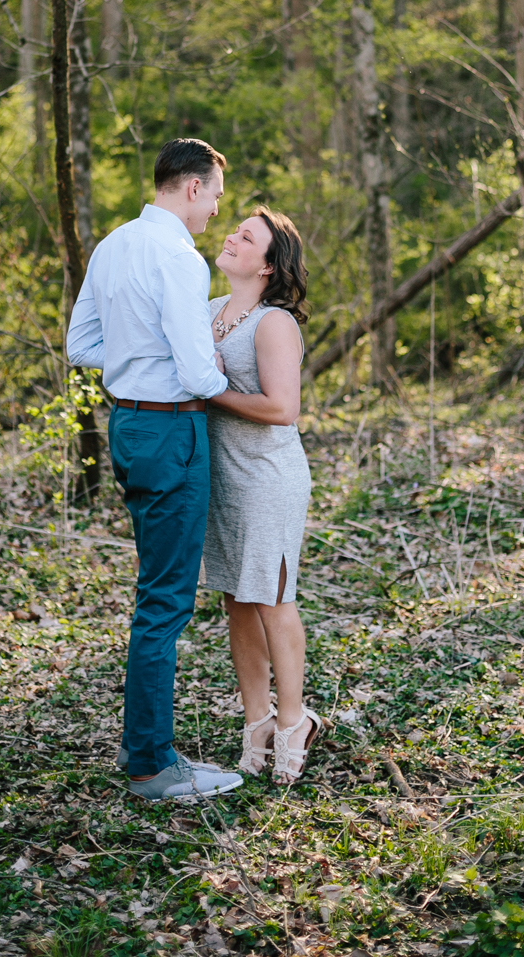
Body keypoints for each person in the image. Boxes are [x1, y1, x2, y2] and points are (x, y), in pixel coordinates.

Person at [66, 138, 243, 801]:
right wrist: (227, 379)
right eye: (216, 196)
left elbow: (80, 345)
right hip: (172, 428)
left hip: (129, 424)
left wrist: (137, 354)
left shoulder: (114, 245)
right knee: (165, 598)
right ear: (191, 187)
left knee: (156, 589)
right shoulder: (176, 256)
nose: (215, 210)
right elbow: (199, 371)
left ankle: (150, 749)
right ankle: (152, 763)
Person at [202, 206, 321, 785]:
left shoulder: (273, 323)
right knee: (238, 600)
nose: (231, 236)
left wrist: (212, 390)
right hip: (222, 479)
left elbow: (282, 409)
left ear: (268, 266)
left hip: (269, 479)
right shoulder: (207, 314)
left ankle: (294, 721)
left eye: (246, 236)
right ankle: (257, 723)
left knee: (273, 598)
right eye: (235, 229)